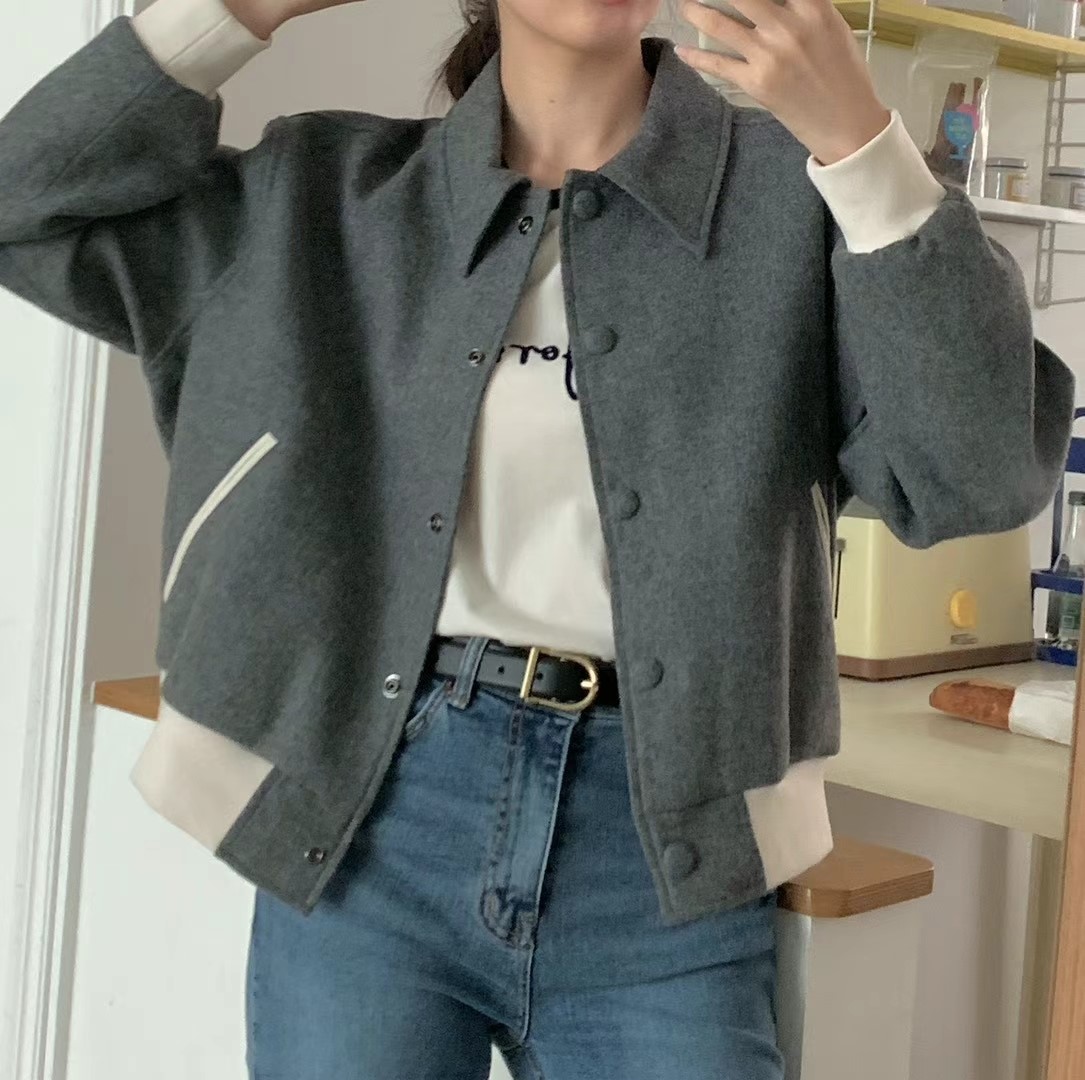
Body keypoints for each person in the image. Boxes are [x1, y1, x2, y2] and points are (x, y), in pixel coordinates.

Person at [0, 0, 1075, 1076]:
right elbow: (22, 207)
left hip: (668, 862)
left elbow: (978, 474)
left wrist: (860, 142)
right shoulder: (327, 192)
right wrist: (236, 10)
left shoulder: (789, 200)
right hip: (368, 832)